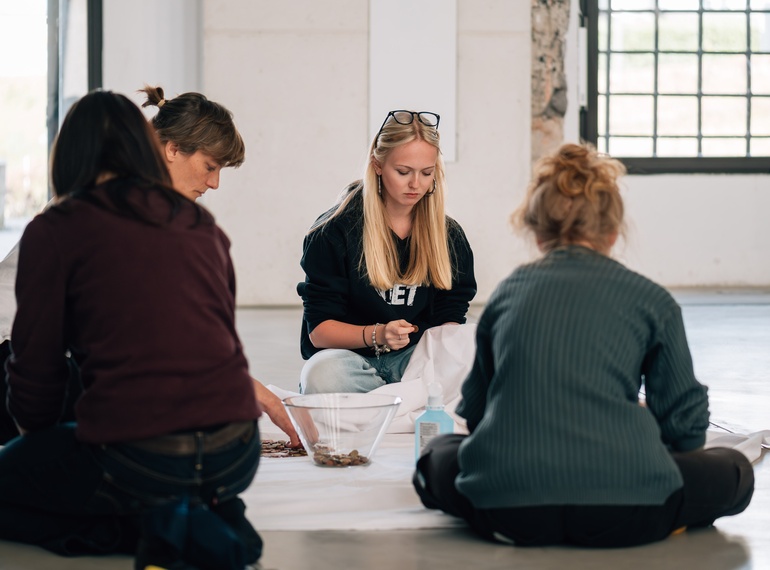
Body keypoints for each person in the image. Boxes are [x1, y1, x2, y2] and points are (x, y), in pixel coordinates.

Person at [412, 143, 754, 548]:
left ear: (538, 233)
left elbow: (477, 415)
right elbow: (686, 429)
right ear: (613, 231)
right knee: (734, 469)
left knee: (439, 453)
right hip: (629, 513)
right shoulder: (651, 300)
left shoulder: (508, 295)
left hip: (507, 511)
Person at [0, 90, 263, 570]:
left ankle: (148, 527)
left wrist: (37, 445)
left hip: (143, 458)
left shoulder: (56, 228)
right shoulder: (200, 226)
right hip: (239, 453)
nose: (215, 183)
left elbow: (35, 369)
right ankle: (207, 510)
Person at [140, 84, 300, 446]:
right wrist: (264, 399)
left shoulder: (156, 210)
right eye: (209, 167)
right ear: (172, 149)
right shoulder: (129, 212)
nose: (214, 183)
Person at [297, 110, 476, 394]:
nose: (415, 184)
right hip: (351, 360)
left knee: (479, 348)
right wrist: (380, 334)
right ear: (377, 165)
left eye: (426, 173)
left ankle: (385, 404)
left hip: (415, 361)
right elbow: (319, 331)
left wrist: (434, 361)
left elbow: (451, 314)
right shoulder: (333, 232)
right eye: (403, 172)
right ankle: (404, 402)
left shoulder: (448, 234)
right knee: (321, 375)